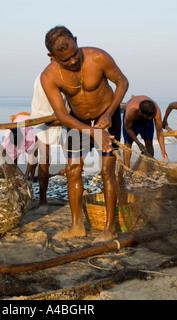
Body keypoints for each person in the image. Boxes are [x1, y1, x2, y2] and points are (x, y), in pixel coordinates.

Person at [40, 26, 129, 243]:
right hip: (76, 121)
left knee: (107, 170)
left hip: (107, 117)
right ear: (52, 57)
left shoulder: (98, 57)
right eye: (65, 60)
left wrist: (109, 114)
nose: (72, 62)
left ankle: (109, 228)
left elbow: (122, 82)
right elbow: (61, 114)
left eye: (74, 54)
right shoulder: (48, 76)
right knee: (72, 170)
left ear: (76, 40)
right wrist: (92, 132)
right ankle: (76, 226)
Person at [30, 72, 68, 214]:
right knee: (44, 160)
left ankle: (74, 196)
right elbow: (40, 107)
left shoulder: (66, 76)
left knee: (72, 159)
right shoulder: (42, 78)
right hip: (42, 120)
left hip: (63, 119)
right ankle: (43, 200)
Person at [123, 95, 168, 167]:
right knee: (127, 144)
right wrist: (138, 143)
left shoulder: (156, 111)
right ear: (140, 112)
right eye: (148, 117)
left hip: (146, 118)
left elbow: (159, 131)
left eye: (152, 116)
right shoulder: (131, 112)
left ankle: (149, 167)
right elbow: (128, 128)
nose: (150, 118)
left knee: (149, 143)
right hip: (133, 122)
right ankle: (126, 168)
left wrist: (163, 150)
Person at [3, 112, 37, 180]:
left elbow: (31, 160)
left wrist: (26, 175)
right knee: (12, 158)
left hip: (31, 121)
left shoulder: (30, 137)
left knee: (34, 159)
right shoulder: (8, 139)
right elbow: (9, 159)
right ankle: (14, 175)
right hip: (18, 121)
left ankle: (32, 178)